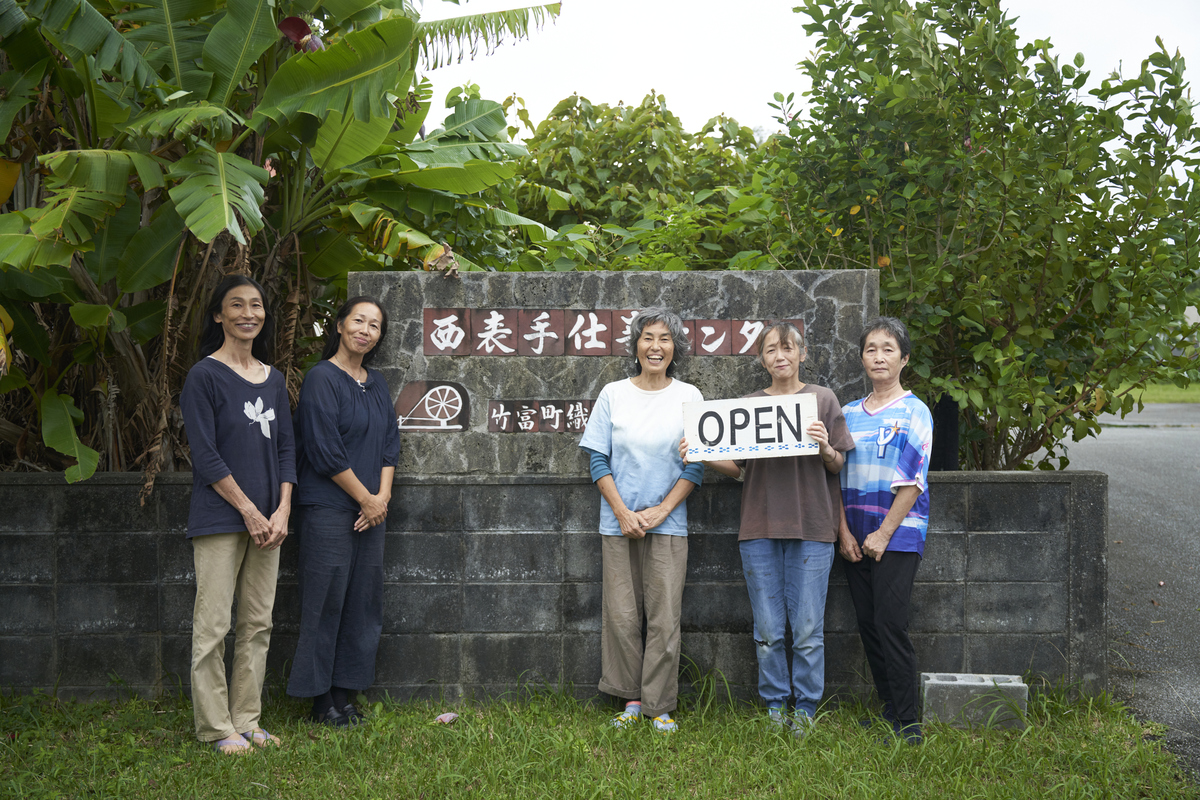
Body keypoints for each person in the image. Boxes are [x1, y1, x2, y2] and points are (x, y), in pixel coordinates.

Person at [682, 321, 854, 734]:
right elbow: (739, 468)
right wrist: (702, 454)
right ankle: (776, 705)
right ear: (761, 359)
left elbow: (838, 464)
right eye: (772, 350)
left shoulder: (823, 400)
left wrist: (824, 446)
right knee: (768, 629)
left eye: (788, 348)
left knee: (809, 628)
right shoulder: (750, 403)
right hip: (758, 527)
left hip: (813, 527)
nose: (781, 356)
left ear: (803, 353)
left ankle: (807, 708)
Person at [180, 275, 296, 755]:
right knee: (213, 626)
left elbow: (288, 448)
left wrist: (283, 508)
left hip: (271, 520)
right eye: (236, 305)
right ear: (217, 315)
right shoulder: (203, 376)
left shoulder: (273, 379)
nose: (249, 313)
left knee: (258, 622)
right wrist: (248, 509)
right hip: (222, 518)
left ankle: (247, 719)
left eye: (256, 305)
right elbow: (205, 457)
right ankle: (215, 726)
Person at [578, 307, 703, 734]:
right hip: (619, 523)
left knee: (665, 617)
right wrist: (622, 512)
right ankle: (631, 698)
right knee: (622, 616)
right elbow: (597, 459)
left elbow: (696, 465)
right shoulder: (613, 393)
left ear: (676, 348)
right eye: (648, 337)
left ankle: (659, 705)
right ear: (635, 346)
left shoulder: (690, 395)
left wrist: (661, 510)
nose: (656, 346)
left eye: (665, 338)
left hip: (668, 523)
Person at [287, 296, 400, 727]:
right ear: (339, 325)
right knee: (325, 602)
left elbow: (391, 443)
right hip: (331, 509)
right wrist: (366, 499)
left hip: (373, 513)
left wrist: (382, 500)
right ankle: (320, 701)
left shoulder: (378, 383)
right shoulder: (321, 378)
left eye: (374, 326)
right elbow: (323, 450)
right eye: (359, 320)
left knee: (362, 604)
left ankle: (344, 693)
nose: (365, 330)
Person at [837, 316, 933, 744]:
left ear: (904, 359)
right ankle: (889, 710)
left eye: (888, 349)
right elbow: (832, 477)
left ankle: (909, 722)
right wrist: (845, 533)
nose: (879, 356)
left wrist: (884, 533)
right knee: (869, 626)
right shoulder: (847, 414)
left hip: (897, 535)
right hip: (855, 537)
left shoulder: (916, 411)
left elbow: (913, 481)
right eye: (871, 349)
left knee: (891, 624)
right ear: (862, 357)